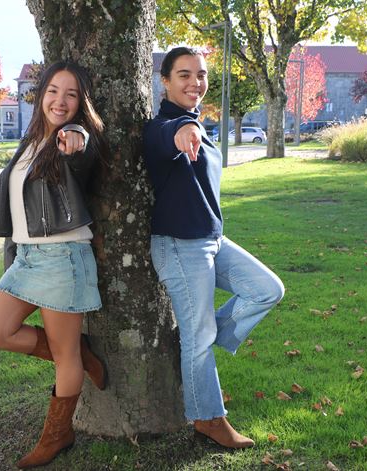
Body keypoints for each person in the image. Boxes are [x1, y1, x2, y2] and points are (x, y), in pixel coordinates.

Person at [142, 47, 285, 449]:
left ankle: (194, 343)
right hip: (178, 244)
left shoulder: (197, 123)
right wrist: (182, 132)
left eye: (201, 75)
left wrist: (192, 128)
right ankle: (208, 418)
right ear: (165, 81)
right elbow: (162, 138)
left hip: (210, 239)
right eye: (184, 75)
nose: (195, 83)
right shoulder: (164, 125)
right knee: (199, 333)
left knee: (267, 290)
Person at [0, 61, 108, 469]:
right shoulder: (32, 140)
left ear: (80, 102)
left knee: (63, 355)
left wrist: (75, 137)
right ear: (41, 94)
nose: (60, 100)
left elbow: (81, 148)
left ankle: (58, 434)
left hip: (62, 257)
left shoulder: (75, 138)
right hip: (27, 257)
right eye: (53, 90)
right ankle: (79, 351)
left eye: (71, 94)